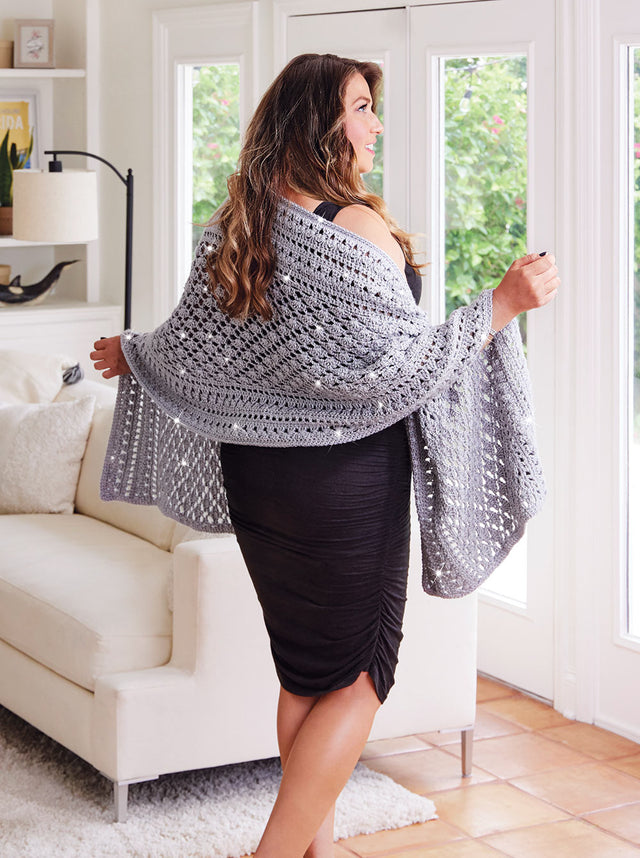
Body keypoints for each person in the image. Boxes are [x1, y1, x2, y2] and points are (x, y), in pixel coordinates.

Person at [91, 53, 559, 858]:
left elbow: (196, 348)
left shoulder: (235, 227)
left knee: (306, 674)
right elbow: (400, 370)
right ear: (320, 123)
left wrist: (133, 352)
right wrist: (501, 305)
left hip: (260, 479)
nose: (375, 125)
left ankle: (318, 852)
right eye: (361, 107)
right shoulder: (356, 227)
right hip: (348, 482)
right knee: (362, 675)